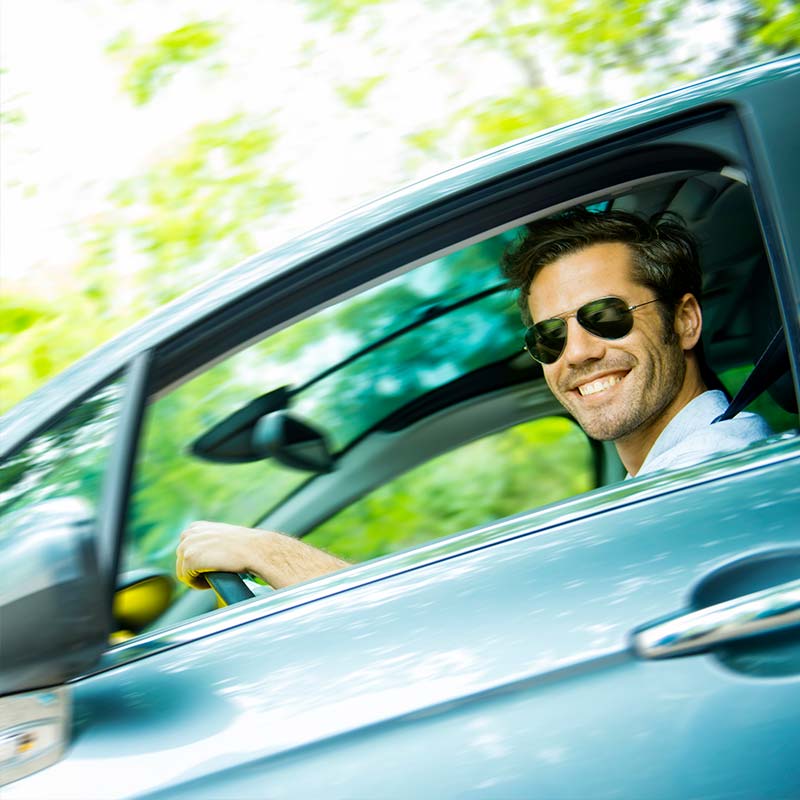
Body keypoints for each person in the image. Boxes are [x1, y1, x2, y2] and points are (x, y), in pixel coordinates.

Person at [177, 208, 771, 592]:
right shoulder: (667, 482)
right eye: (550, 335)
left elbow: (480, 636)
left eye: (605, 316)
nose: (578, 352)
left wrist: (265, 551)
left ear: (686, 321)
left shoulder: (712, 476)